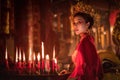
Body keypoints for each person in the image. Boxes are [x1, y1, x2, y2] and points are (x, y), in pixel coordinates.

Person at [67, 12, 103, 80]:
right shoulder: (84, 40)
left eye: (79, 22)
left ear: (87, 24)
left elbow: (91, 67)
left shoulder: (86, 41)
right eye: (74, 23)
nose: (75, 26)